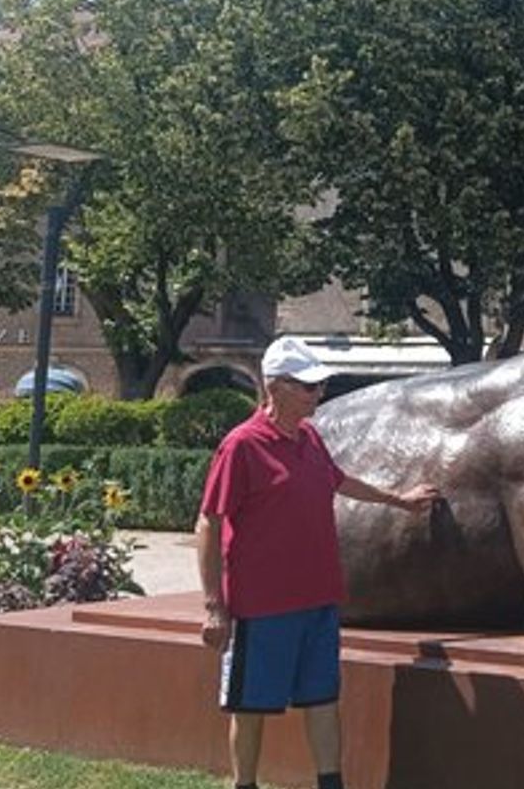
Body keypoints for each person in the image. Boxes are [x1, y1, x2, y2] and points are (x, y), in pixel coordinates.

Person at [195, 336, 440, 789]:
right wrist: (215, 605)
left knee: (322, 699)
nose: (318, 393)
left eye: (320, 385)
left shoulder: (309, 437)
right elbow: (208, 524)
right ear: (277, 387)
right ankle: (243, 785)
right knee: (250, 707)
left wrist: (398, 501)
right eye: (308, 386)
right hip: (261, 607)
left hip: (318, 600)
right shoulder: (242, 446)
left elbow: (338, 480)